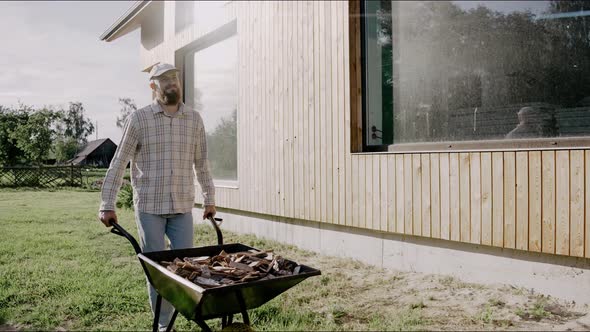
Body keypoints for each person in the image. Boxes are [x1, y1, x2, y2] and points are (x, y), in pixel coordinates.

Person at [97, 63, 216, 330]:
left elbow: (202, 163)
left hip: (183, 205)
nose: (171, 83)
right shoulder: (139, 119)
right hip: (150, 206)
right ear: (153, 86)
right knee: (158, 270)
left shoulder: (194, 119)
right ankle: (164, 325)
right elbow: (119, 162)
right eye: (164, 80)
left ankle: (182, 312)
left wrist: (209, 198)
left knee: (185, 266)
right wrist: (107, 204)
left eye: (174, 77)